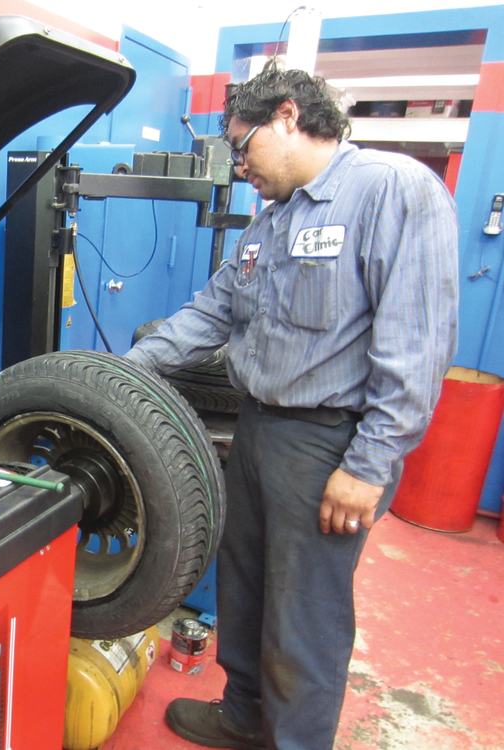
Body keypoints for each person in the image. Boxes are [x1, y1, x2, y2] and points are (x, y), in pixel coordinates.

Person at [124, 65, 459, 750]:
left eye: (241, 146)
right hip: (259, 431)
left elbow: (418, 343)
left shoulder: (390, 190)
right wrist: (122, 371)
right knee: (245, 590)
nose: (239, 165)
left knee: (304, 614)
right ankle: (245, 716)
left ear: (286, 116)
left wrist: (368, 465)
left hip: (330, 444)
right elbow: (211, 313)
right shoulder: (269, 223)